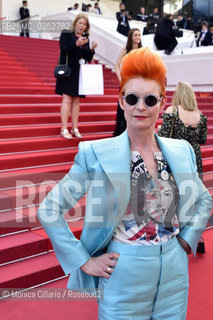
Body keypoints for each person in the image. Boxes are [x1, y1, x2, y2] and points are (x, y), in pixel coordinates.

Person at [37, 47, 212, 319]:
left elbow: (203, 199)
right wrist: (84, 260)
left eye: (150, 99)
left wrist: (188, 240)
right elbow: (49, 209)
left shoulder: (181, 150)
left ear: (162, 104)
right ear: (121, 102)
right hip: (123, 274)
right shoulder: (95, 153)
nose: (140, 106)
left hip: (175, 275)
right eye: (132, 98)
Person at [158, 81, 208, 253]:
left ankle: (173, 238)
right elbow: (202, 139)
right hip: (195, 158)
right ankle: (197, 236)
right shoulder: (200, 115)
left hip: (176, 158)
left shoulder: (173, 112)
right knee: (193, 197)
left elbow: (163, 136)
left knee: (174, 197)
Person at [55, 13, 97, 139]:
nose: (82, 26)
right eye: (80, 23)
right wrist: (76, 44)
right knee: (67, 99)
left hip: (80, 72)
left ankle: (74, 127)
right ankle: (64, 128)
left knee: (77, 101)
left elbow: (87, 58)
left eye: (84, 24)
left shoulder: (85, 37)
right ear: (75, 23)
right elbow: (63, 49)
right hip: (68, 71)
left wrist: (92, 50)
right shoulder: (67, 33)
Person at [113, 28, 142, 136]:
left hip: (138, 83)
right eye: (136, 35)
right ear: (131, 37)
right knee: (124, 107)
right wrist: (121, 79)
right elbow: (117, 65)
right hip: (126, 83)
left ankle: (134, 131)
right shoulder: (125, 50)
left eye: (139, 35)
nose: (138, 37)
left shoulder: (142, 51)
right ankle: (122, 131)